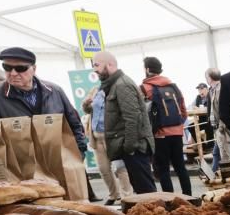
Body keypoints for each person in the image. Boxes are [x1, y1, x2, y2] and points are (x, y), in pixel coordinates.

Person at [0, 47, 88, 155]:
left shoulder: (54, 91)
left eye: (20, 68)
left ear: (34, 69)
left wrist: (79, 152)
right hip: (24, 166)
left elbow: (74, 124)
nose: (13, 73)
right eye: (7, 67)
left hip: (62, 160)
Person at [91, 51, 156, 194]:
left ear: (110, 64)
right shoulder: (114, 85)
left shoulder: (122, 85)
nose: (94, 69)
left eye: (96, 65)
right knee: (142, 191)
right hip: (132, 148)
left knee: (147, 193)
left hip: (136, 149)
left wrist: (129, 147)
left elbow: (133, 118)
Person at [140, 56, 192, 196]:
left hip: (159, 135)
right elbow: (183, 111)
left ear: (147, 69)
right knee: (180, 167)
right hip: (177, 133)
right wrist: (178, 126)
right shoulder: (173, 86)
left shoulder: (145, 88)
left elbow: (142, 114)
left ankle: (170, 201)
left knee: (163, 169)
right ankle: (189, 197)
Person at [82, 86, 133, 205]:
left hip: (113, 136)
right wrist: (86, 104)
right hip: (96, 137)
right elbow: (88, 110)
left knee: (120, 168)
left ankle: (127, 196)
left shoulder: (117, 89)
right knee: (103, 169)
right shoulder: (95, 90)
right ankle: (114, 194)